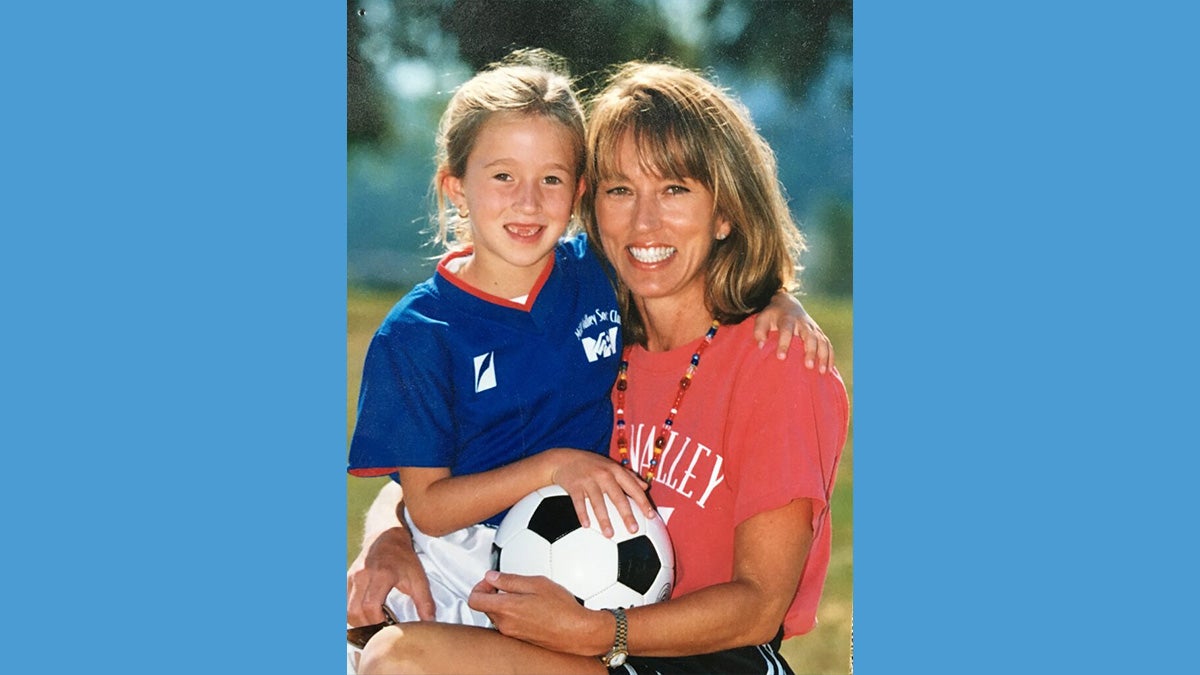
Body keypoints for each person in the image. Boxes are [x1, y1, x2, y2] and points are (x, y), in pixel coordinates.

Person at [355, 60, 850, 675]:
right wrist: (388, 536)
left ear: (726, 213)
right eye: (621, 190)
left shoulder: (777, 364)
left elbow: (758, 606)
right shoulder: (603, 331)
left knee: (403, 662)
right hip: (564, 633)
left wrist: (596, 631)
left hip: (707, 660)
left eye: (675, 189)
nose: (644, 222)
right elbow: (437, 479)